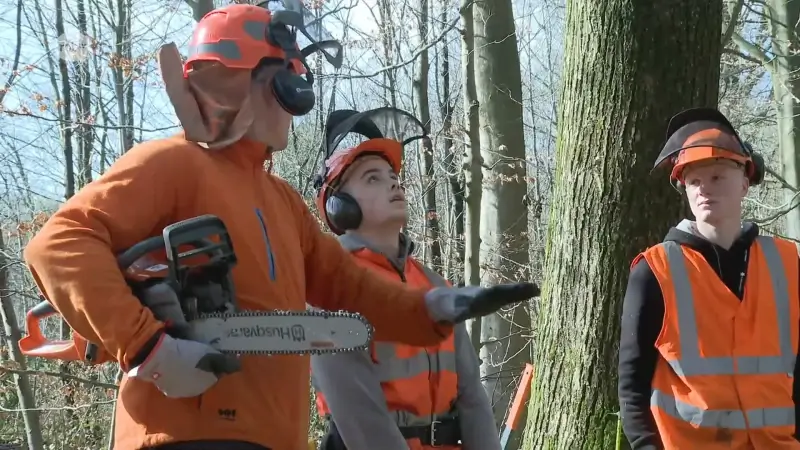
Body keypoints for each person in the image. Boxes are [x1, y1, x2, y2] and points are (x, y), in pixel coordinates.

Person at [21, 5, 538, 450]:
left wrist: (431, 310)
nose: (296, 105)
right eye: (289, 85)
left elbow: (351, 287)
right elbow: (58, 244)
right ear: (246, 82)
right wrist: (147, 347)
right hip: (181, 433)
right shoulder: (172, 164)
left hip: (272, 434)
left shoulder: (282, 201)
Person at [309, 107, 503, 450]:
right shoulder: (332, 290)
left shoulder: (434, 286)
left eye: (393, 175)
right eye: (373, 177)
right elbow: (362, 420)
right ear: (338, 204)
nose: (394, 182)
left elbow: (472, 397)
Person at [617, 107, 800, 449]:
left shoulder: (787, 262)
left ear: (745, 182)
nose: (704, 189)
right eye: (694, 181)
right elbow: (632, 382)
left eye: (717, 177)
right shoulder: (655, 270)